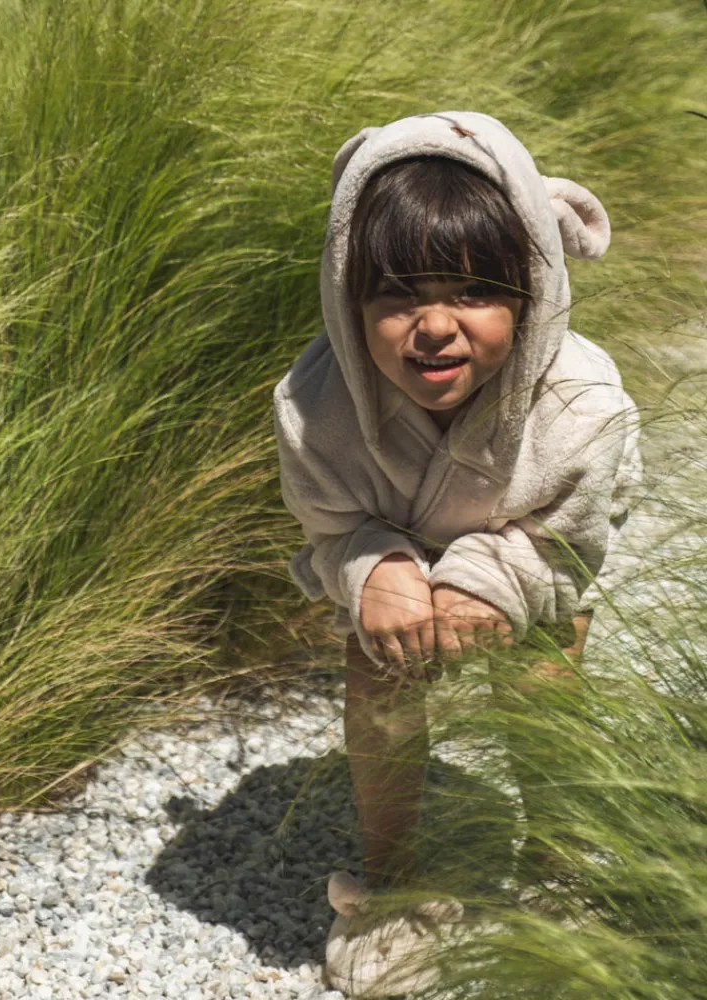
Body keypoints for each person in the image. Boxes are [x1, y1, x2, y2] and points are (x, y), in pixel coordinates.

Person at [272, 110, 643, 997]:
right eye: (396, 294)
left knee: (541, 685)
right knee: (380, 677)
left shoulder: (582, 404)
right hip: (396, 540)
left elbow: (581, 529)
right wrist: (370, 563)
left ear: (533, 289)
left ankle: (561, 868)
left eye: (474, 293)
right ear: (346, 293)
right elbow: (327, 519)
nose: (433, 327)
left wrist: (501, 576)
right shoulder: (315, 403)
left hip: (534, 548)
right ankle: (394, 886)